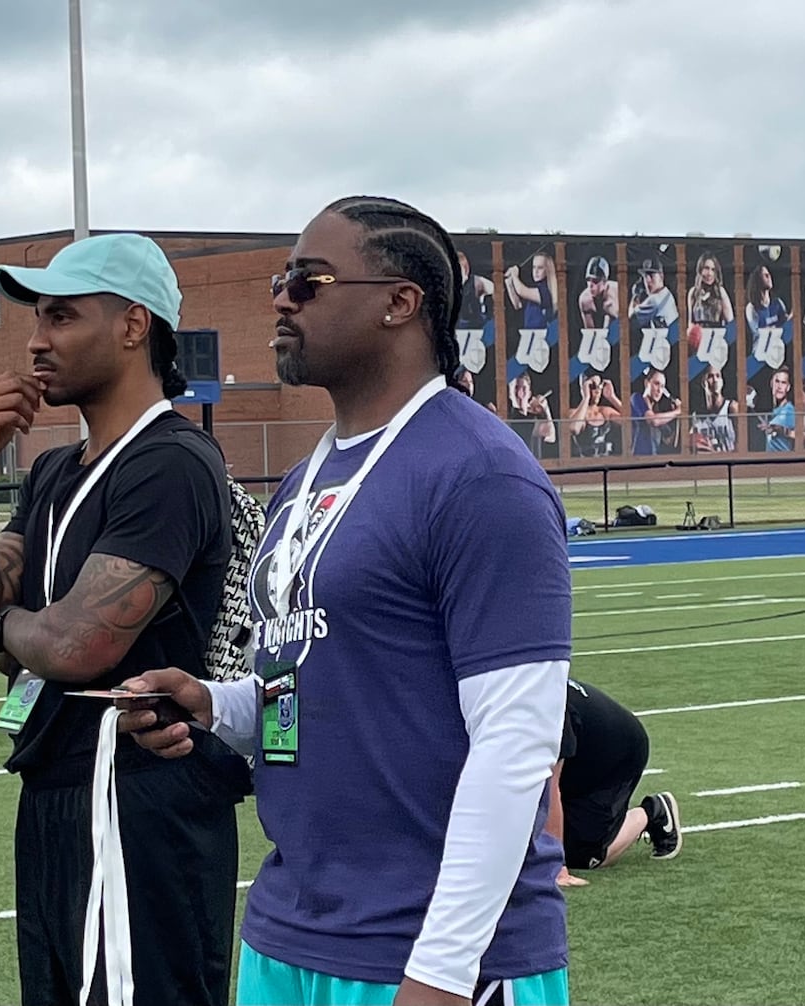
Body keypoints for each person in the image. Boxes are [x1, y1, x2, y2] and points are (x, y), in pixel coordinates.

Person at [117, 196, 574, 1006]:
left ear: (402, 303)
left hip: (427, 958)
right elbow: (310, 687)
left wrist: (441, 975)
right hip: (291, 931)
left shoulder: (481, 477)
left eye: (309, 280)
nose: (283, 298)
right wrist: (215, 707)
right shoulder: (305, 481)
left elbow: (515, 744)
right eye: (281, 279)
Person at [0, 232, 248, 1006]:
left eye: (63, 317)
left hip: (140, 795)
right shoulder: (52, 470)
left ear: (134, 326)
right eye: (38, 319)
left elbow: (76, 644)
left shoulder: (170, 462)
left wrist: (6, 630)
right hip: (60, 784)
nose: (37, 343)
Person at [543, 678, 680, 888]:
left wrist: (556, 867)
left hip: (616, 757)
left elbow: (549, 788)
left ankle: (652, 812)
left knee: (584, 855)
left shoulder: (547, 706)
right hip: (583, 750)